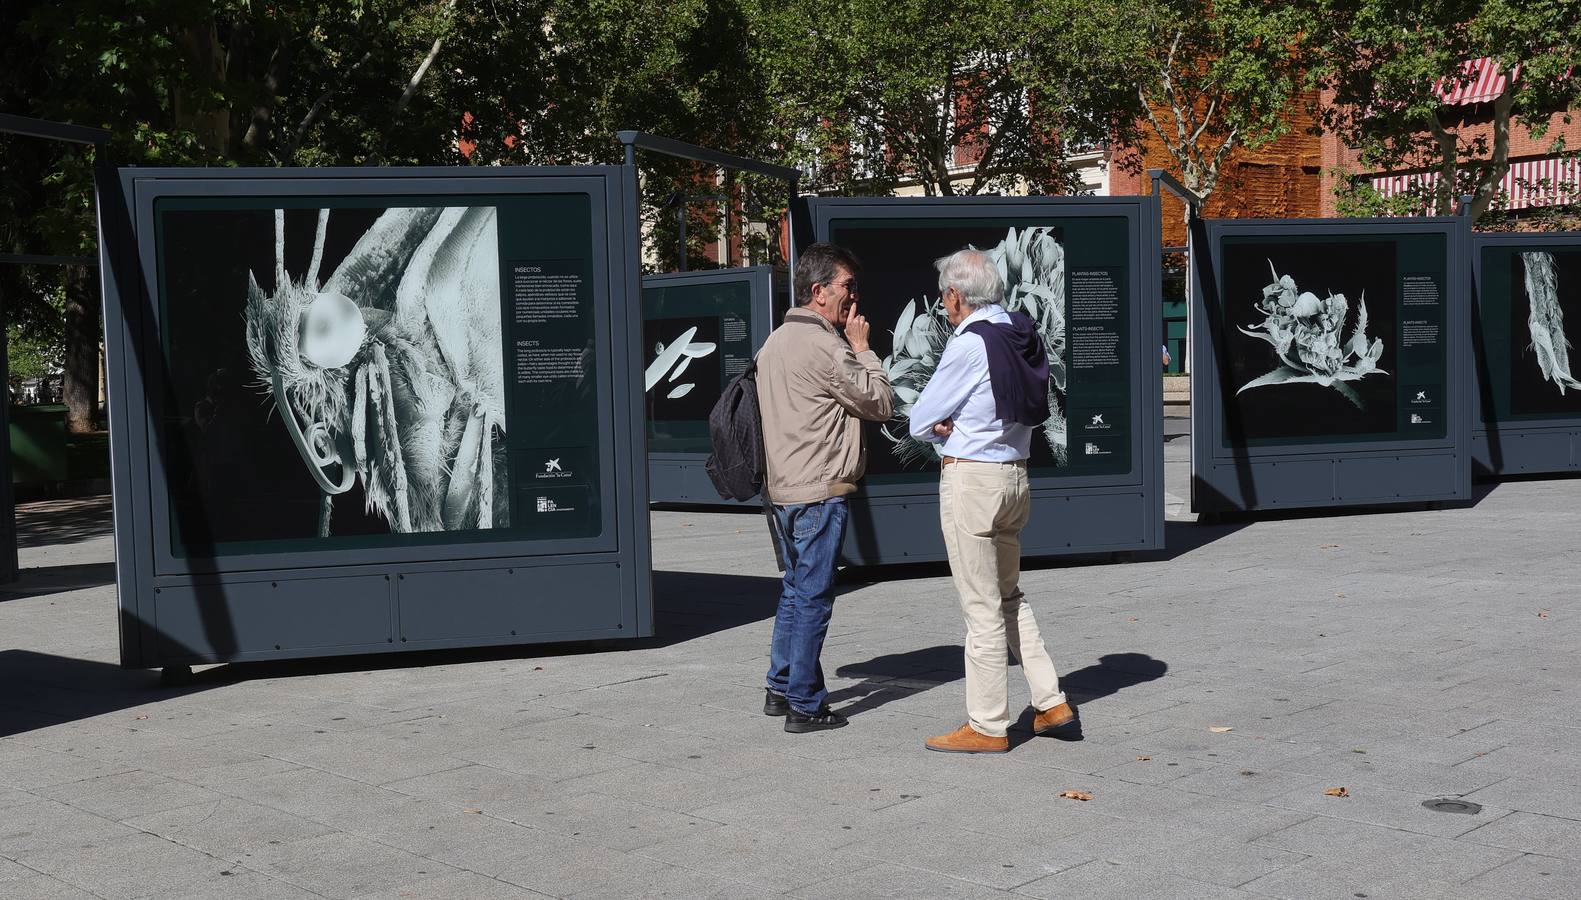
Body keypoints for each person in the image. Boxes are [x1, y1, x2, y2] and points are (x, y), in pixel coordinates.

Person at [908, 248, 1073, 754]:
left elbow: (919, 420)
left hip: (973, 481)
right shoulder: (1022, 332)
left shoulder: (970, 342)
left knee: (981, 607)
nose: (943, 306)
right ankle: (1050, 701)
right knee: (1007, 597)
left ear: (956, 296)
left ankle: (986, 724)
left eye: (944, 297)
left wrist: (941, 428)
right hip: (1015, 477)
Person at [756, 242, 893, 733]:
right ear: (819, 292)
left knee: (795, 591)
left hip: (786, 489)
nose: (853, 299)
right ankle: (805, 705)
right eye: (847, 287)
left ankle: (780, 685)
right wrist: (862, 348)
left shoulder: (774, 341)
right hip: (819, 488)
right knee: (813, 595)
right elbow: (879, 403)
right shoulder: (825, 345)